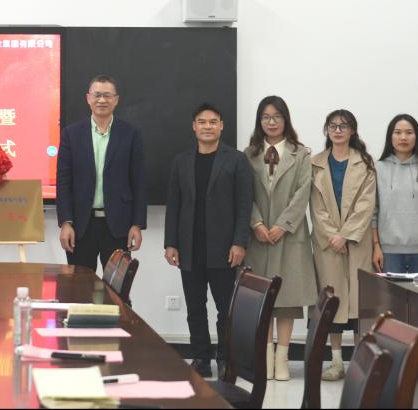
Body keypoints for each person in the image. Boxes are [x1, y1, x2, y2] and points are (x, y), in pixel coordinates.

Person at [164, 103, 252, 379]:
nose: (207, 127)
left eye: (213, 122)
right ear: (194, 127)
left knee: (226, 309)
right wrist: (170, 243)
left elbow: (244, 205)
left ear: (221, 126)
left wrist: (239, 242)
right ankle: (201, 358)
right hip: (189, 248)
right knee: (195, 308)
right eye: (202, 122)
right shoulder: (181, 161)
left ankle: (226, 359)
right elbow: (174, 204)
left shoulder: (236, 160)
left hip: (224, 248)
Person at [243, 96, 316, 382]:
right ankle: (265, 355)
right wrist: (257, 223)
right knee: (262, 299)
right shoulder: (249, 154)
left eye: (277, 117)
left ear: (285, 119)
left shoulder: (301, 154)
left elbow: (303, 192)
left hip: (290, 236)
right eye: (266, 117)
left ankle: (282, 357)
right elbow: (244, 194)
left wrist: (282, 225)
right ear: (259, 121)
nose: (271, 122)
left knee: (287, 299)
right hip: (259, 237)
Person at [310, 109, 376, 381]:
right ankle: (336, 363)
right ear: (326, 130)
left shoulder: (365, 163)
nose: (338, 130)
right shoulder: (315, 164)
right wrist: (333, 237)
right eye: (333, 126)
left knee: (360, 307)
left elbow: (366, 205)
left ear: (352, 131)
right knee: (333, 304)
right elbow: (316, 208)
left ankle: (359, 364)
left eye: (343, 125)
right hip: (328, 245)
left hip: (357, 243)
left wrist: (346, 235)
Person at [56, 75, 146, 272]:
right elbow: (63, 182)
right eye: (97, 95)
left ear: (116, 100)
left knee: (116, 287)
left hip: (118, 226)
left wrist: (137, 224)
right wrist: (66, 222)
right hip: (80, 226)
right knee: (79, 286)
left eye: (107, 95)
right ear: (88, 98)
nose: (102, 100)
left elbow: (138, 182)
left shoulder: (130, 134)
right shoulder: (72, 134)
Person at [373, 114, 418, 275]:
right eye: (398, 132)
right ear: (390, 136)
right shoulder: (377, 169)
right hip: (387, 253)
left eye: (409, 132)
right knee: (388, 294)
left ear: (416, 137)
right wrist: (375, 245)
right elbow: (372, 211)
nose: (403, 137)